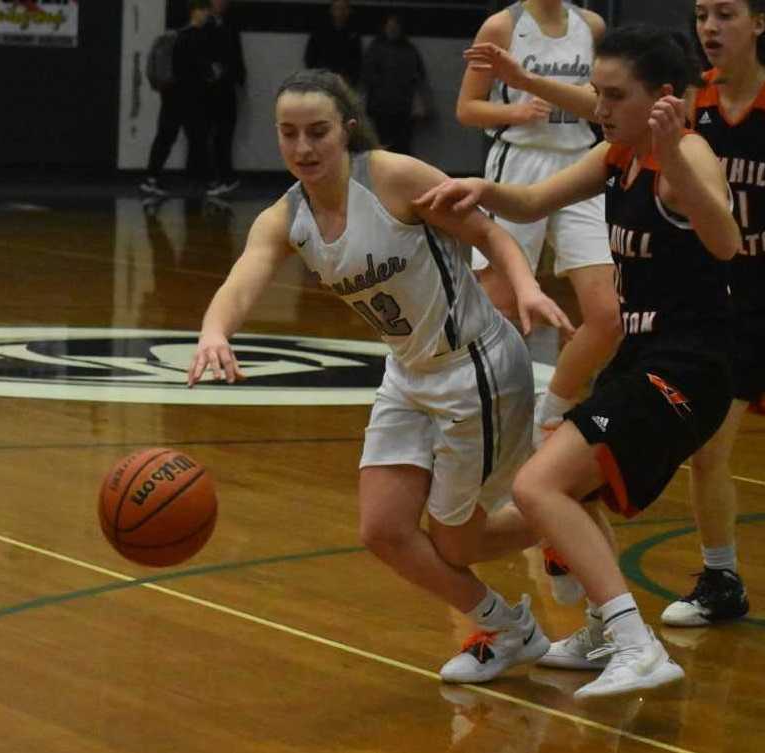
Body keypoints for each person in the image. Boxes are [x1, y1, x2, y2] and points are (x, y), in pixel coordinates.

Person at [186, 69, 576, 684]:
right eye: (288, 134)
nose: (303, 148)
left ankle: (568, 510)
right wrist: (215, 333)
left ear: (345, 130)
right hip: (408, 374)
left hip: (473, 365)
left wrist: (525, 288)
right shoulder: (286, 217)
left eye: (317, 132)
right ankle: (509, 628)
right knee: (383, 530)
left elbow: (488, 232)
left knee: (458, 546)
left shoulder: (392, 176)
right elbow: (242, 279)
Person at [416, 25, 741, 698]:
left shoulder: (687, 154)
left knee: (538, 485)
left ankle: (634, 643)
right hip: (644, 360)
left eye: (614, 96)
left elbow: (726, 239)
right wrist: (476, 187)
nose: (598, 107)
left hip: (691, 365)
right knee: (560, 483)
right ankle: (600, 627)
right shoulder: (615, 155)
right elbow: (533, 200)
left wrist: (672, 154)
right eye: (595, 92)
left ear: (663, 99)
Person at [660, 0, 765, 626]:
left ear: (760, 23)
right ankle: (721, 579)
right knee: (707, 447)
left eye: (725, 14)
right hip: (737, 289)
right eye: (701, 15)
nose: (709, 27)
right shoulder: (698, 102)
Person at [456, 0, 621, 451]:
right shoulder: (501, 25)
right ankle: (484, 422)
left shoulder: (592, 25)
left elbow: (605, 99)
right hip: (519, 162)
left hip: (582, 166)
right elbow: (467, 109)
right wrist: (515, 112)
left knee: (608, 314)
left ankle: (552, 410)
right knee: (500, 308)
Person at [141, 0, 214, 197]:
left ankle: (152, 178)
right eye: (203, 10)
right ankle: (203, 181)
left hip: (173, 96)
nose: (206, 14)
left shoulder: (178, 36)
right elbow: (197, 68)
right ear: (194, 12)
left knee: (168, 137)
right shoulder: (194, 37)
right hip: (187, 96)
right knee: (195, 138)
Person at [361, 13, 430, 155]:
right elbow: (367, 76)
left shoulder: (406, 49)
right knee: (383, 146)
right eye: (390, 26)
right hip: (382, 107)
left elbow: (418, 77)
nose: (392, 30)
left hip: (401, 107)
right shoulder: (378, 48)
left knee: (401, 147)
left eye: (395, 27)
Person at [204, 0, 247, 197]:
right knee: (211, 134)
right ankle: (214, 177)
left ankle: (225, 176)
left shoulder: (231, 25)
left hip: (227, 86)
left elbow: (237, 54)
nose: (222, 3)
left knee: (226, 133)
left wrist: (240, 78)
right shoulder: (204, 25)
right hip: (209, 87)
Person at [303, 0, 362, 87]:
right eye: (338, 8)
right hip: (322, 79)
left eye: (344, 9)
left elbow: (357, 60)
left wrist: (351, 78)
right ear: (331, 10)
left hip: (345, 81)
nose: (341, 12)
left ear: (349, 11)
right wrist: (317, 76)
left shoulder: (353, 33)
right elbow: (310, 57)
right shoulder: (320, 32)